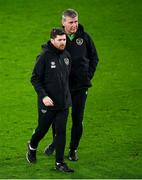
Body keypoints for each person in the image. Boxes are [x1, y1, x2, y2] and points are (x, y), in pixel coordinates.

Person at [44, 9, 99, 161]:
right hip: (62, 87)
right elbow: (47, 56)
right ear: (63, 23)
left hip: (80, 86)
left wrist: (88, 75)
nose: (74, 25)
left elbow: (94, 58)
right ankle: (56, 143)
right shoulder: (59, 38)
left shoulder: (85, 38)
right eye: (71, 22)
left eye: (76, 22)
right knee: (58, 118)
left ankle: (73, 149)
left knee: (77, 119)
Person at [26, 28, 74, 173]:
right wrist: (44, 96)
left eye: (64, 40)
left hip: (63, 103)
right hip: (48, 103)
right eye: (59, 40)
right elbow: (35, 79)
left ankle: (59, 163)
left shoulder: (67, 56)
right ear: (52, 40)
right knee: (42, 130)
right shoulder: (44, 56)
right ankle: (32, 146)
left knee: (61, 131)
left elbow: (66, 78)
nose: (62, 43)